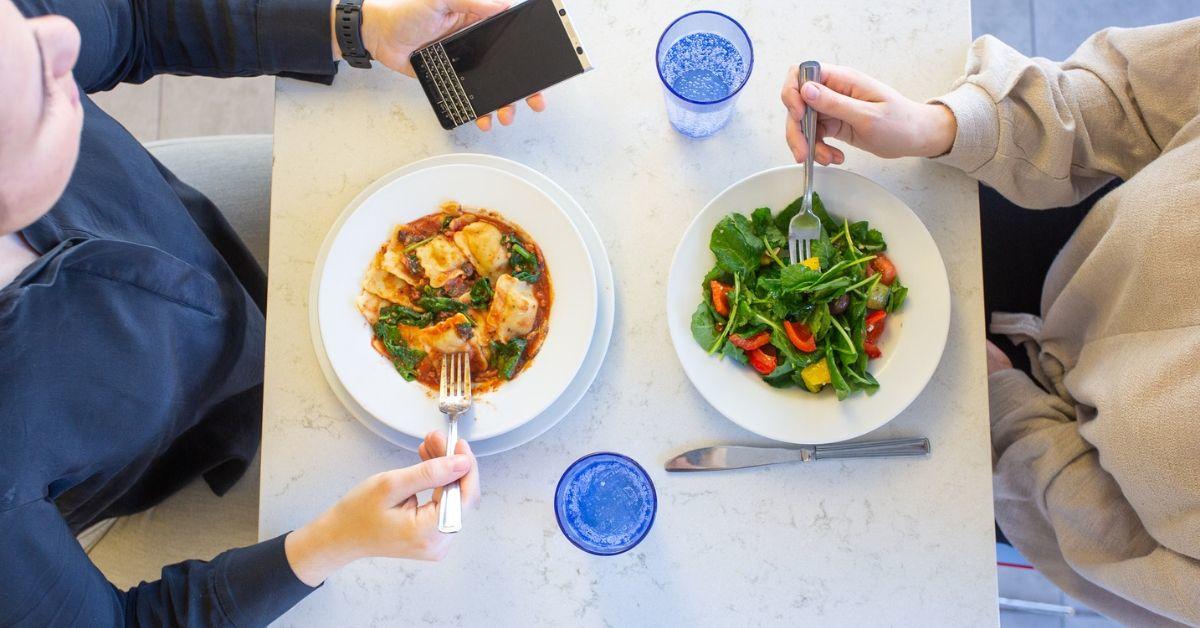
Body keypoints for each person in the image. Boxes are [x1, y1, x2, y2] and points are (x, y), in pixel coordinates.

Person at [0, 0, 543, 623]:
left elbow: (132, 17)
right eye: (37, 87)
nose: (59, 37)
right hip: (169, 459)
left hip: (193, 236)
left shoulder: (30, 43)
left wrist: (358, 26)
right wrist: (334, 541)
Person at [780, 19, 1200, 626]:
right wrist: (942, 126)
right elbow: (1127, 99)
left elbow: (1123, 548)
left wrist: (1010, 413)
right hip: (1077, 245)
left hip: (1044, 463)